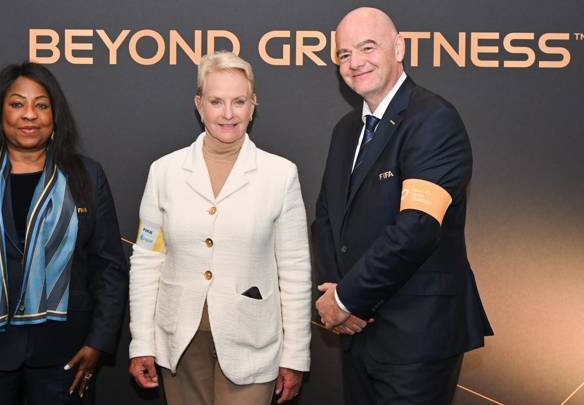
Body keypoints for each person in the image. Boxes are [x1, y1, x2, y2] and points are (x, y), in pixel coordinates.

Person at [312, 7, 493, 404]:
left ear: (399, 48)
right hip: (357, 333)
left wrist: (346, 300)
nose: (355, 62)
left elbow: (416, 228)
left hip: (417, 338)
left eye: (367, 47)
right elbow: (327, 219)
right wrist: (339, 298)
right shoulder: (346, 130)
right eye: (344, 54)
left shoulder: (433, 120)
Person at [0, 62, 128, 405]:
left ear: (54, 115)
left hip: (65, 354)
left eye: (41, 105)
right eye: (17, 104)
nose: (29, 115)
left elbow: (108, 267)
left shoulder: (87, 176)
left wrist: (97, 343)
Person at [127, 51, 311, 405]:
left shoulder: (280, 174)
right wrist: (142, 343)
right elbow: (147, 260)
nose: (228, 113)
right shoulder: (164, 172)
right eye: (216, 101)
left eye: (239, 101)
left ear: (253, 105)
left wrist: (295, 355)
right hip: (180, 342)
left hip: (252, 344)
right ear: (199, 105)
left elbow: (294, 269)